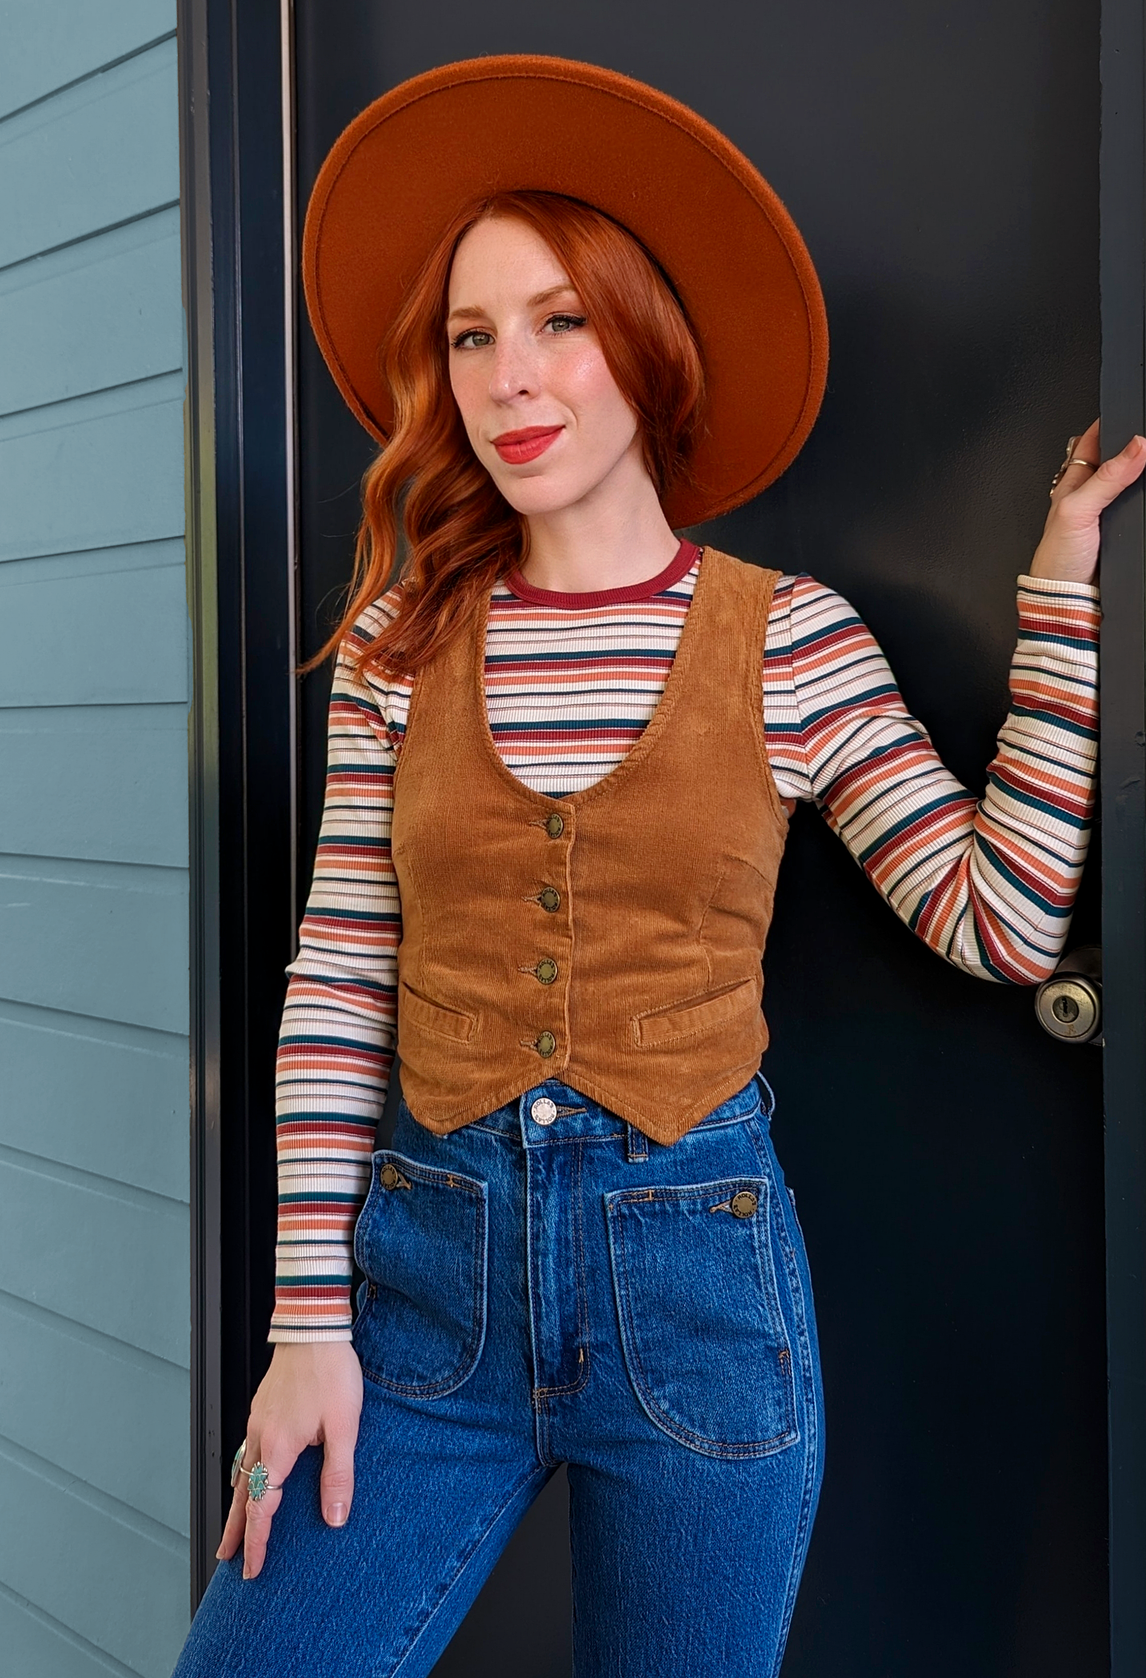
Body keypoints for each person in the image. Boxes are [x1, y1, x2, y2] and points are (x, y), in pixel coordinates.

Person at [173, 55, 1144, 1678]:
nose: (509, 378)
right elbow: (338, 974)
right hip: (422, 1301)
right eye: (470, 337)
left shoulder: (792, 640)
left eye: (558, 320)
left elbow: (998, 921)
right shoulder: (396, 655)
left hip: (700, 1298)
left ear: (643, 340)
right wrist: (304, 1327)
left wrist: (1057, 597)